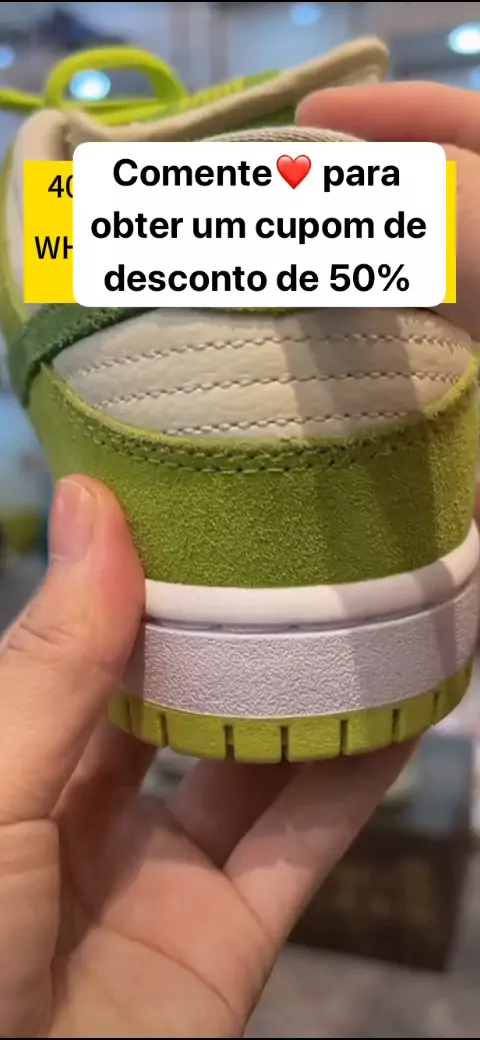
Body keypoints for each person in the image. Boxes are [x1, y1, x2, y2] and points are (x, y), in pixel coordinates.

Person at [0, 79, 479, 1038]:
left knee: (46, 209)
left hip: (130, 349)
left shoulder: (71, 216)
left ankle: (66, 264)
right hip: (409, 357)